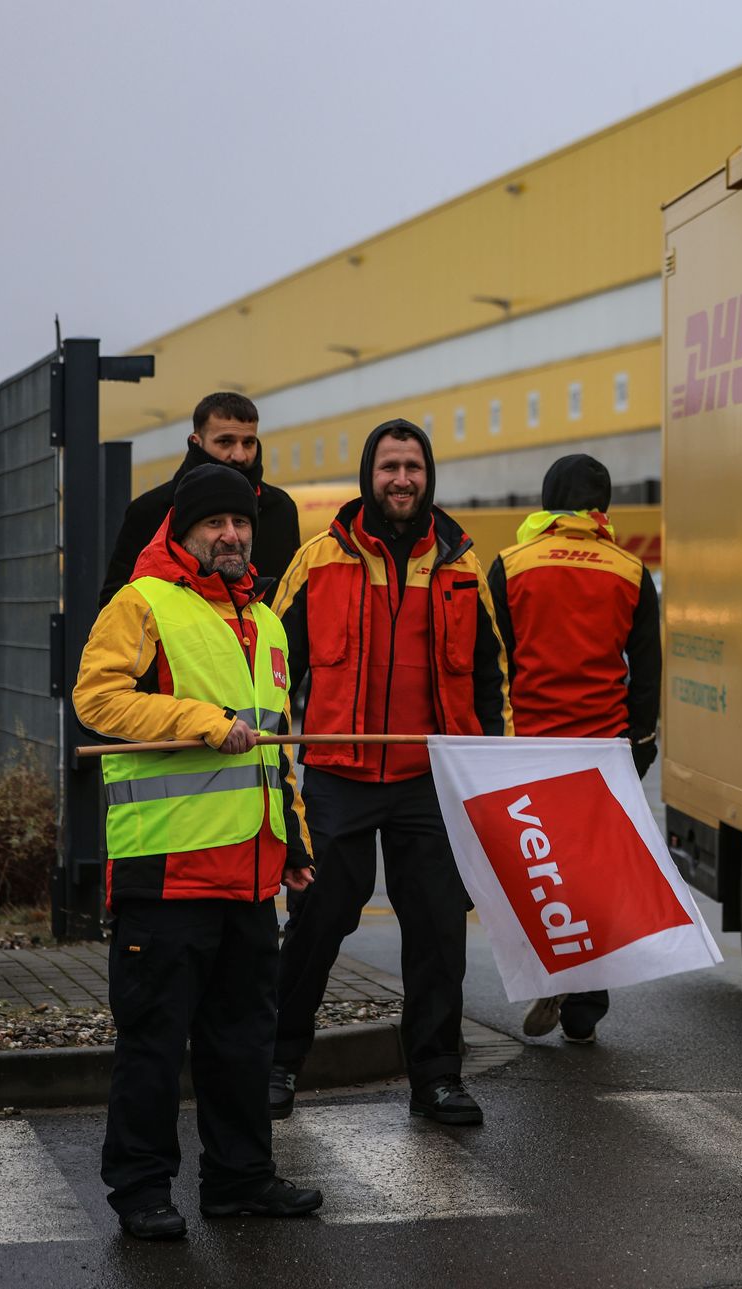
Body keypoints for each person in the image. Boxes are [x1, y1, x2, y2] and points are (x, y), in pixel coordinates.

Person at [73, 464, 323, 1240]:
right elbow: (96, 697)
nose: (232, 535)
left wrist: (295, 840)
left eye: (241, 523)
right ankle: (142, 1190)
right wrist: (202, 719)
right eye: (215, 523)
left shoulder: (269, 622)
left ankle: (240, 1178)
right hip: (166, 872)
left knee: (242, 1040)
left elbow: (277, 747)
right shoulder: (142, 603)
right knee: (153, 1044)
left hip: (249, 876)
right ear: (182, 531)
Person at [267, 419, 508, 1126]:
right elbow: (273, 673)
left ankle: (437, 1077)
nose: (402, 479)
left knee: (438, 928)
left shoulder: (462, 564)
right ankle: (278, 1062)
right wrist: (280, 777)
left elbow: (495, 679)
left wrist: (488, 772)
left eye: (413, 466)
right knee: (320, 917)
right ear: (368, 475)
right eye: (389, 467)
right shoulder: (318, 560)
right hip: (339, 772)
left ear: (428, 475)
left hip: (430, 778)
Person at [487, 454, 661, 1046]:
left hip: (530, 746)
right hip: (602, 749)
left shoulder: (510, 566)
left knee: (540, 870)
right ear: (602, 507)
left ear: (544, 502)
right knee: (591, 874)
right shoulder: (630, 571)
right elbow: (646, 672)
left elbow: (492, 662)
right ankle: (587, 999)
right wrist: (641, 743)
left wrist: (492, 739)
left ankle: (550, 966)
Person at [103, 391, 302, 605]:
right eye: (225, 442)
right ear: (196, 442)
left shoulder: (281, 508)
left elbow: (291, 597)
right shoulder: (151, 510)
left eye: (248, 443)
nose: (239, 455)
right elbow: (117, 602)